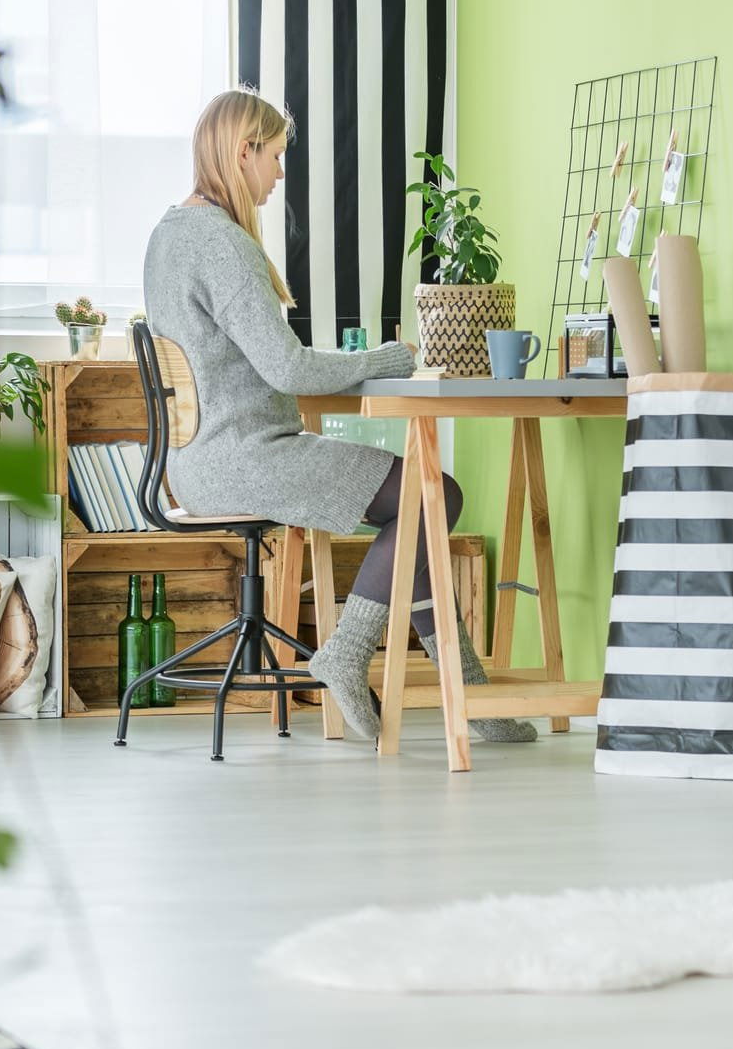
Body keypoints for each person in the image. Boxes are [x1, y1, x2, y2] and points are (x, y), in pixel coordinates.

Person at [141, 88, 535, 745]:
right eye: (275, 156)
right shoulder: (223, 246)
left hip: (197, 461)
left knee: (421, 501)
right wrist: (393, 355)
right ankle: (350, 654)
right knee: (431, 491)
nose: (279, 174)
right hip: (247, 459)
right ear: (244, 152)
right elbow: (290, 370)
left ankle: (468, 697)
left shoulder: (167, 236)